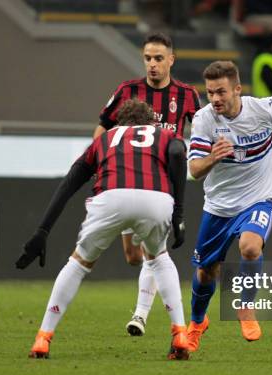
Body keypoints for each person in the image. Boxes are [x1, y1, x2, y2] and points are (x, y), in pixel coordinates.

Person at [16, 99, 190, 360]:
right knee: (159, 259)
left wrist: (43, 231)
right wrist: (179, 213)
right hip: (155, 199)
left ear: (120, 124)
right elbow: (177, 154)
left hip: (111, 198)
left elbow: (69, 183)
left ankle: (43, 337)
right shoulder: (164, 134)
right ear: (151, 122)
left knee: (78, 263)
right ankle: (180, 333)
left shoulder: (105, 139)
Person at [185, 61, 272, 351]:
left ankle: (245, 306)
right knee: (205, 272)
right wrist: (213, 157)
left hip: (259, 199)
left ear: (237, 89)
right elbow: (195, 170)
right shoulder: (204, 120)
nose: (215, 99)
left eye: (221, 92)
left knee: (250, 246)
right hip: (219, 207)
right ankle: (198, 320)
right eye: (210, 93)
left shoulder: (263, 109)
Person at [94, 32, 201, 337]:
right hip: (127, 177)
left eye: (158, 58)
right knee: (133, 256)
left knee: (155, 250)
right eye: (147, 58)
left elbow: (204, 129)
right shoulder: (128, 91)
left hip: (163, 184)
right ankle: (155, 283)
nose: (152, 65)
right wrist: (99, 162)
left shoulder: (187, 96)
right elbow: (103, 126)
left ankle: (140, 315)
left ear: (171, 60)